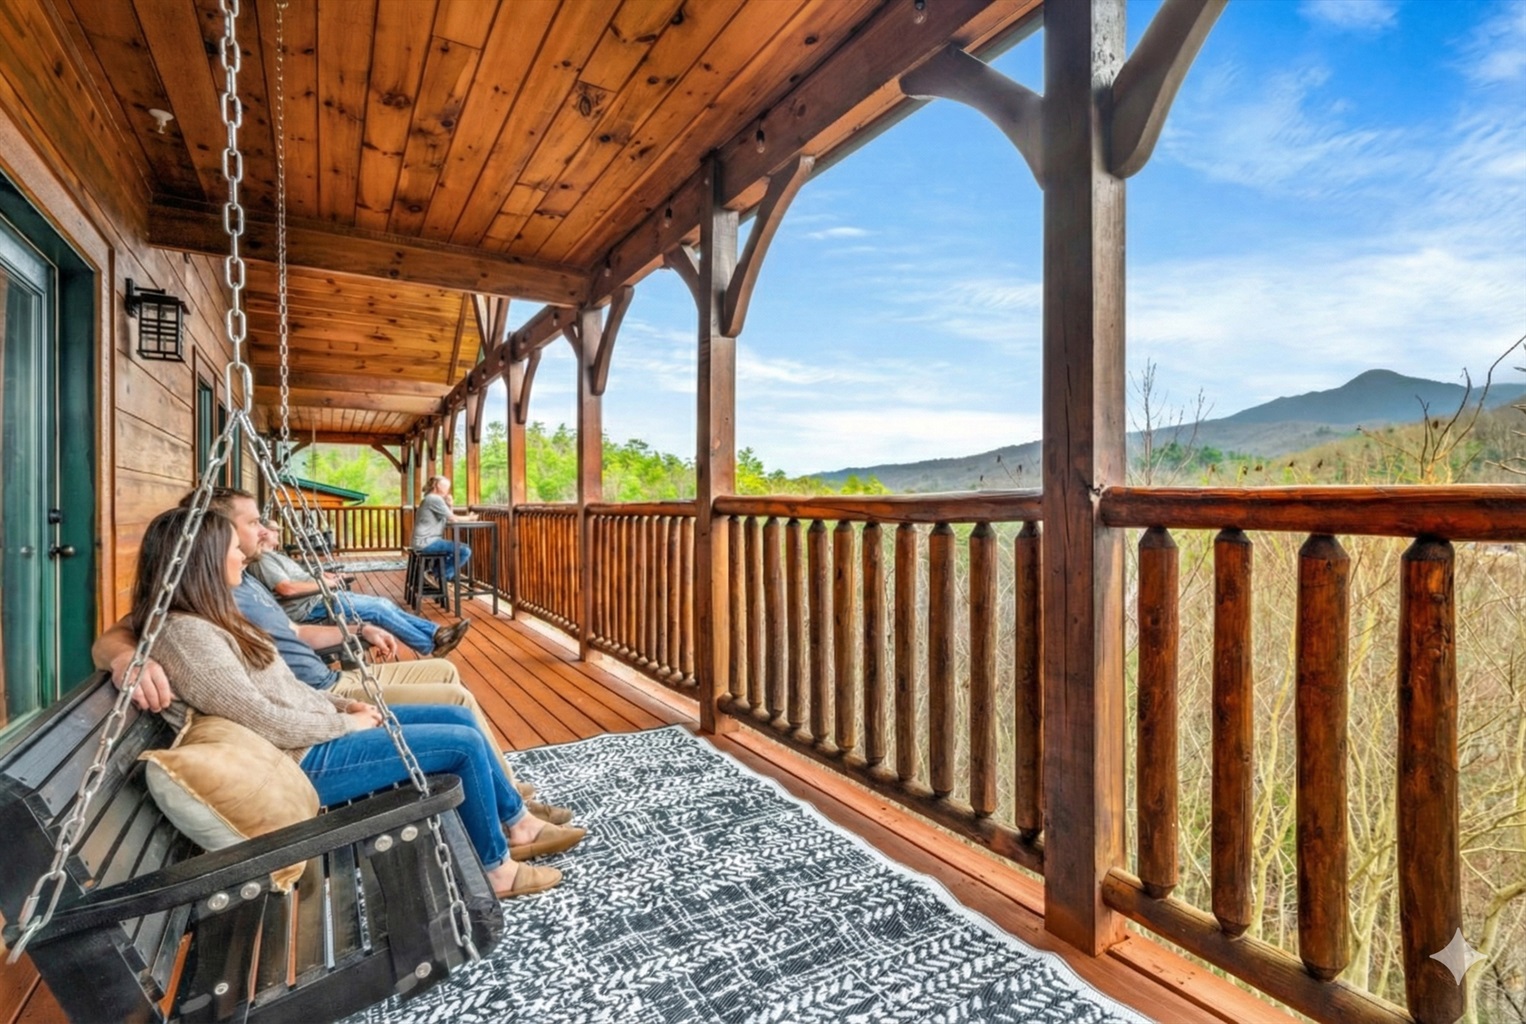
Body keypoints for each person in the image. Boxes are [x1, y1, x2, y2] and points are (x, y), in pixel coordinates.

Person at [128, 507, 584, 896]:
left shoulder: (213, 618)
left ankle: (518, 824)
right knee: (459, 745)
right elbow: (265, 720)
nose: (242, 555)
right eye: (233, 548)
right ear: (204, 559)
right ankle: (496, 871)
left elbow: (285, 691)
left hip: (315, 730)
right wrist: (347, 725)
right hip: (303, 759)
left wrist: (345, 707)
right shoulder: (188, 637)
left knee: (456, 716)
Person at [248, 519, 470, 657]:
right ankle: (429, 645)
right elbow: (286, 588)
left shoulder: (275, 555)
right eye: (274, 530)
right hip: (311, 606)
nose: (278, 533)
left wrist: (324, 576)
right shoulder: (263, 560)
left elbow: (298, 577)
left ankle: (436, 633)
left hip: (321, 598)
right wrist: (326, 583)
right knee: (377, 610)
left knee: (382, 602)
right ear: (264, 534)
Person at [412, 475, 472, 582]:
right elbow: (453, 518)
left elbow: (449, 518)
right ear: (438, 486)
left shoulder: (430, 498)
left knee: (455, 550)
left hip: (423, 542)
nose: (448, 489)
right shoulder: (434, 499)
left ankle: (435, 575)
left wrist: (450, 505)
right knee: (464, 550)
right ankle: (440, 577)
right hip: (427, 543)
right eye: (447, 486)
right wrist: (471, 518)